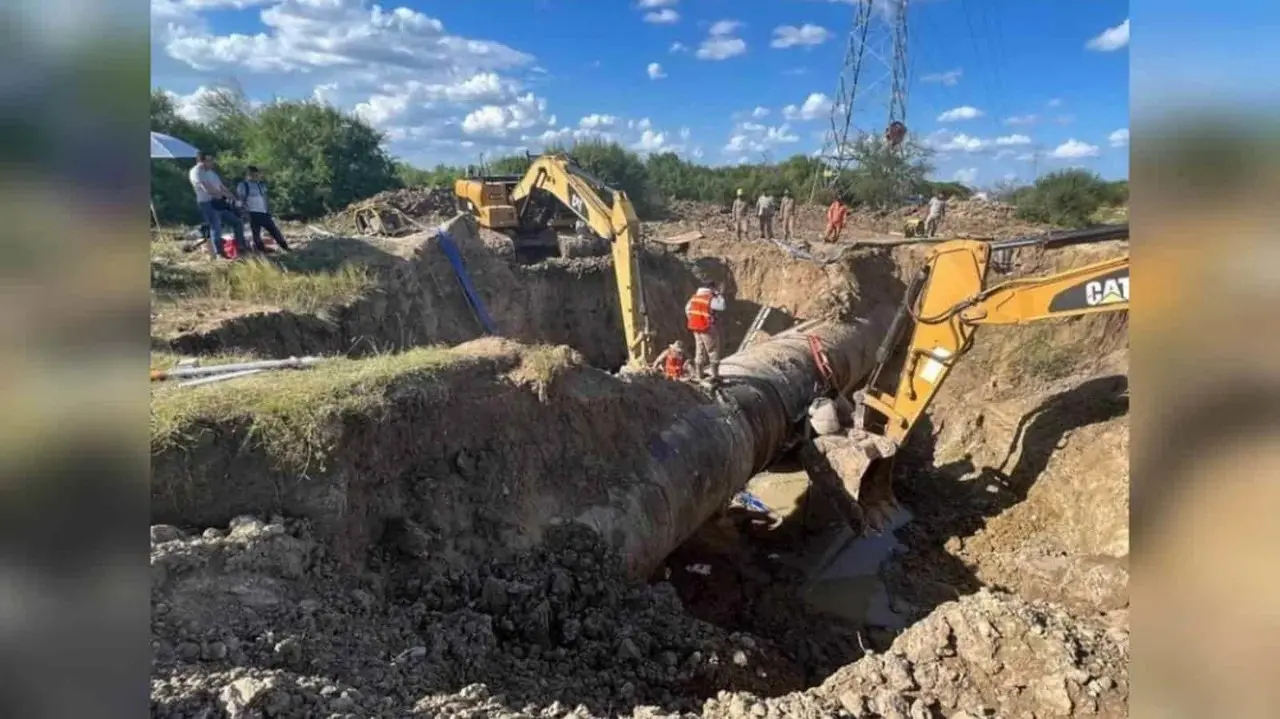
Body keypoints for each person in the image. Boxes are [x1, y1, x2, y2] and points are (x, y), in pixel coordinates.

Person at [189, 152, 247, 259]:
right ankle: (219, 253)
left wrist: (234, 198)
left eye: (211, 160)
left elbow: (221, 187)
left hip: (219, 202)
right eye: (209, 160)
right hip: (207, 203)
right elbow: (207, 188)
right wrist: (220, 194)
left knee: (237, 222)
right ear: (201, 161)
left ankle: (241, 247)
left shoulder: (212, 173)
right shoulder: (196, 172)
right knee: (216, 226)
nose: (212, 163)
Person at [236, 166, 291, 253]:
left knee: (274, 230)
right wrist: (244, 212)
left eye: (257, 175)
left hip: (263, 212)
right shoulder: (243, 185)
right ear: (248, 175)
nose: (256, 177)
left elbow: (265, 197)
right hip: (252, 212)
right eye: (253, 175)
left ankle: (284, 247)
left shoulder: (260, 185)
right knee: (256, 233)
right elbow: (241, 199)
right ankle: (261, 250)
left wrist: (268, 210)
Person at [685, 281, 727, 381]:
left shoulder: (694, 297)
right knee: (713, 350)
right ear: (712, 288)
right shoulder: (709, 298)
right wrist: (719, 295)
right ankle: (715, 376)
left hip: (695, 327)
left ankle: (699, 374)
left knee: (700, 350)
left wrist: (693, 319)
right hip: (707, 327)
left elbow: (687, 309)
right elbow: (722, 306)